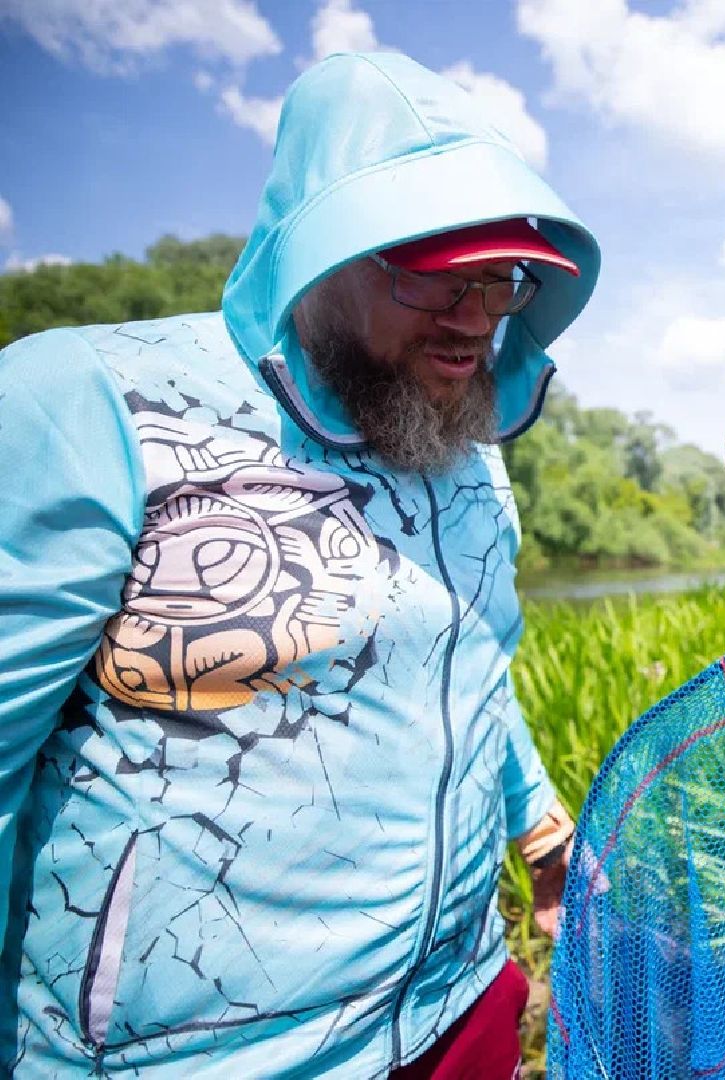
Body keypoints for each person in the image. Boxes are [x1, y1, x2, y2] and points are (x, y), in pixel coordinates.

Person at [0, 53, 598, 1076]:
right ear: (316, 254)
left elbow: (473, 670)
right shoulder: (90, 400)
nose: (474, 316)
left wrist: (539, 831)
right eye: (431, 272)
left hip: (464, 1007)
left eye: (500, 276)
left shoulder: (468, 454)